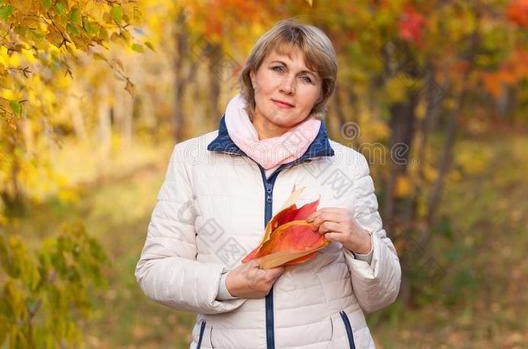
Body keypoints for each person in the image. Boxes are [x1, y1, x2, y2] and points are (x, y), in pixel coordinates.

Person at [134, 18, 401, 349]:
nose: (288, 86)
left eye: (306, 77)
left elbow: (382, 295)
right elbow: (154, 272)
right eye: (278, 68)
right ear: (252, 74)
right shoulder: (191, 159)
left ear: (321, 93)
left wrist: (362, 243)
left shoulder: (347, 166)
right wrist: (227, 284)